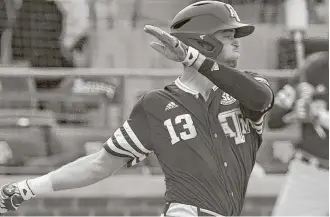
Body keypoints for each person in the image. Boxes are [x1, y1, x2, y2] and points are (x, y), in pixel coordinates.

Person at [0, 1, 274, 216]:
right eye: (227, 35)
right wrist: (30, 186)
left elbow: (260, 99)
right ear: (203, 41)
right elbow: (100, 164)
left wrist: (194, 58)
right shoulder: (157, 104)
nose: (237, 41)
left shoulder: (248, 87)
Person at [268, 51, 329, 216]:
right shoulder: (314, 68)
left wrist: (318, 115)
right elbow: (273, 119)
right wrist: (294, 112)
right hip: (310, 174)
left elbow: (318, 116)